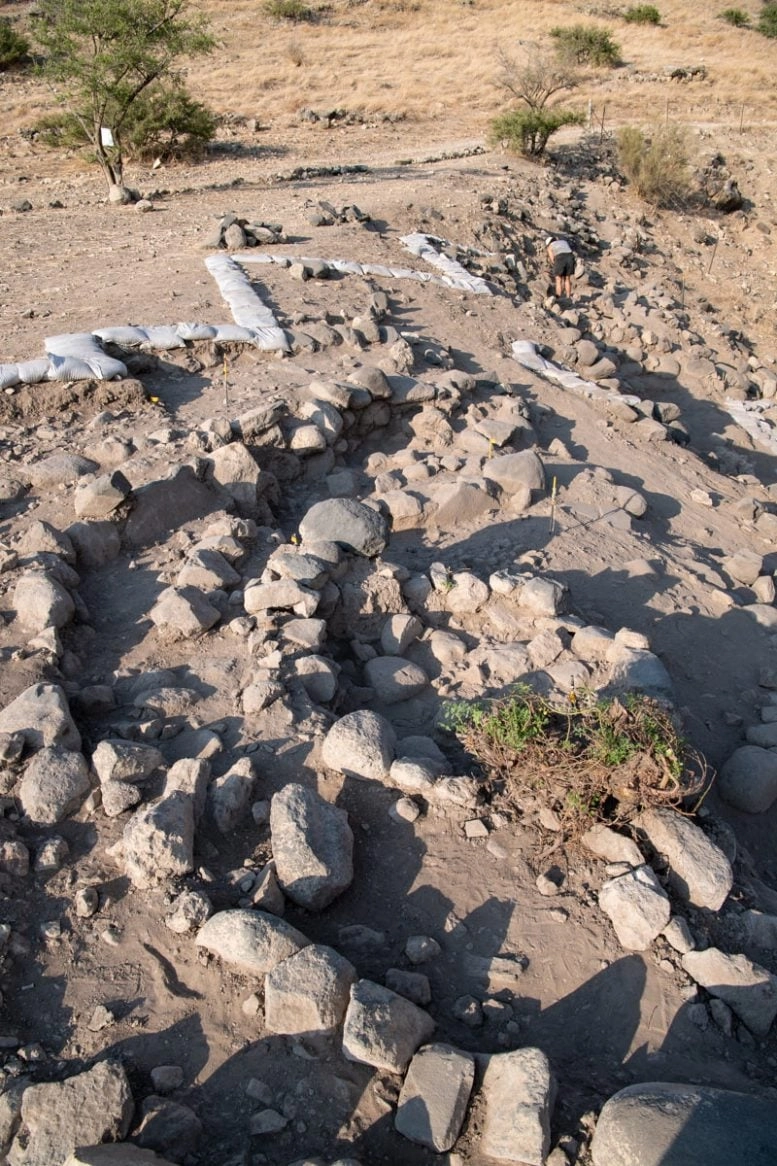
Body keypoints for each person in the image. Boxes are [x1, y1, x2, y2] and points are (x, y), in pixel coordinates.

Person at [545, 235, 574, 301]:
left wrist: (554, 267)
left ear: (548, 243)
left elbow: (552, 259)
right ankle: (568, 297)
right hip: (570, 257)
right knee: (567, 278)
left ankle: (558, 297)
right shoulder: (564, 241)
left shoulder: (550, 246)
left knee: (558, 279)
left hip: (560, 257)